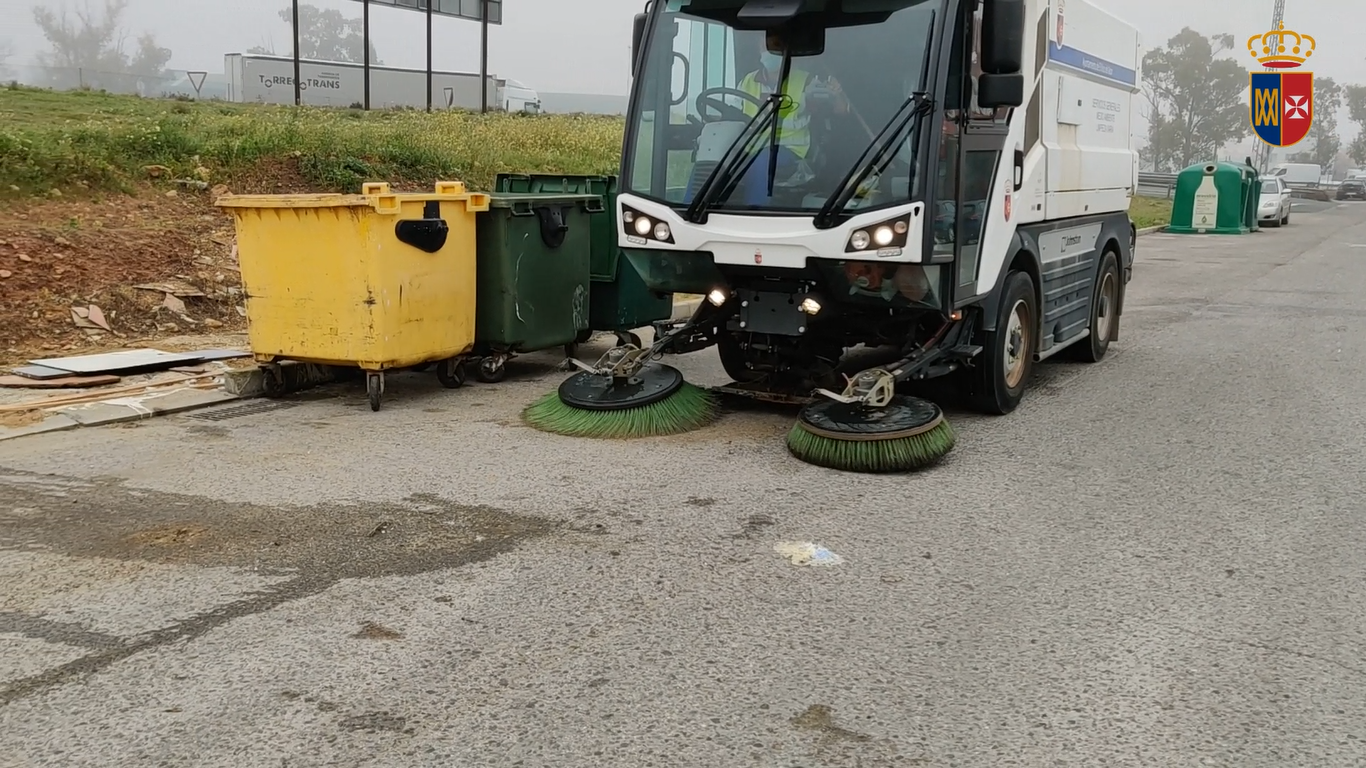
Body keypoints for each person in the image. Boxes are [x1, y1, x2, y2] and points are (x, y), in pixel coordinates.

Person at [732, 30, 851, 206]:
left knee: (763, 160)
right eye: (764, 46)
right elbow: (734, 114)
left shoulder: (806, 81)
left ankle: (755, 212)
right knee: (716, 158)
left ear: (785, 50)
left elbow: (841, 110)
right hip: (751, 147)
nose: (767, 51)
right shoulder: (747, 81)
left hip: (791, 149)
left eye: (773, 46)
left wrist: (837, 93)